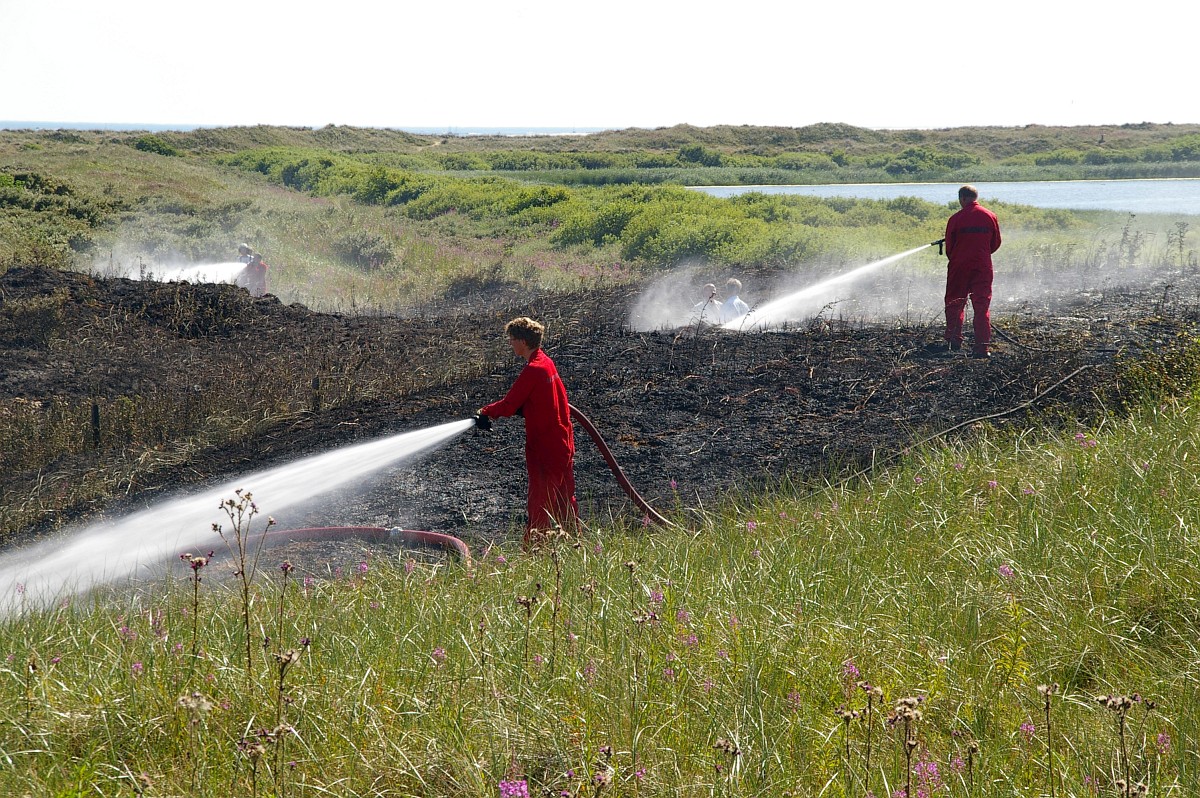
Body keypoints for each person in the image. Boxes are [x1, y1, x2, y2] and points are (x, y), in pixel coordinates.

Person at [478, 317, 579, 547]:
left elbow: (509, 404)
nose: (510, 344)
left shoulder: (534, 370)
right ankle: (575, 546)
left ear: (523, 342)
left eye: (512, 339)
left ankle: (534, 553)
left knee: (540, 507)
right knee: (564, 502)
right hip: (562, 444)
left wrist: (485, 412)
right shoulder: (547, 363)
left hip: (545, 450)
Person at [943, 184, 1001, 358]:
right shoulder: (990, 216)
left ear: (962, 198)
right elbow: (995, 243)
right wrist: (981, 254)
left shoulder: (955, 219)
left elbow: (949, 247)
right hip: (982, 267)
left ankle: (953, 340)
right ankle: (982, 347)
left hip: (959, 267)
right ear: (975, 198)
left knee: (954, 303)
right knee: (982, 306)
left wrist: (959, 257)